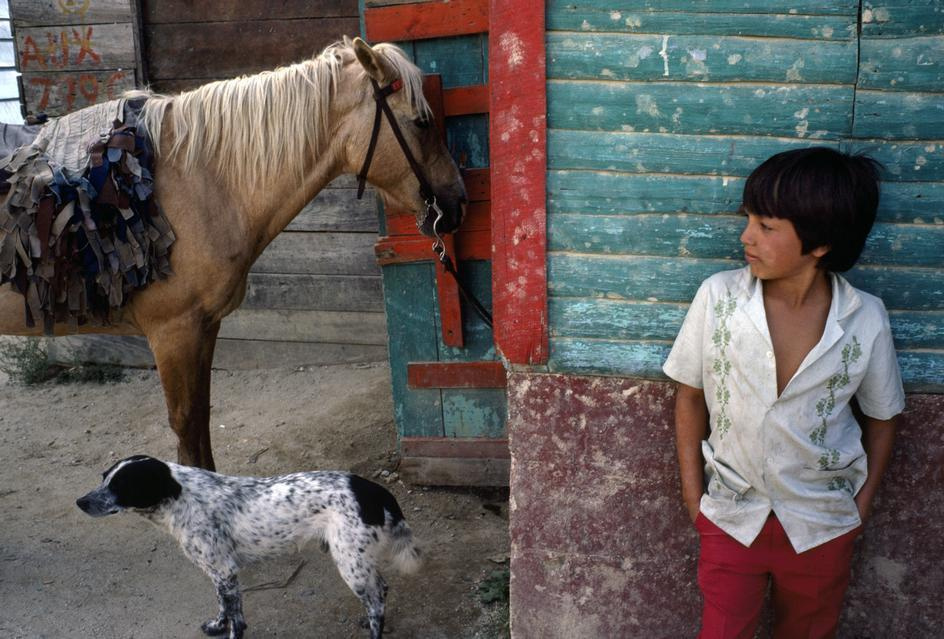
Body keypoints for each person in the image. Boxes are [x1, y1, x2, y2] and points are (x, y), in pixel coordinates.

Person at [663, 147, 905, 639]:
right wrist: (694, 498)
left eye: (767, 226)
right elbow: (690, 395)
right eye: (748, 219)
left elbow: (883, 417)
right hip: (732, 516)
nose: (746, 236)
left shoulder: (864, 318)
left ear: (820, 243)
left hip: (821, 524)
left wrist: (860, 507)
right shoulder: (719, 297)